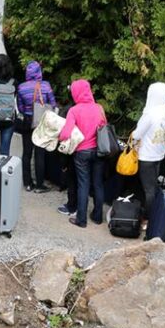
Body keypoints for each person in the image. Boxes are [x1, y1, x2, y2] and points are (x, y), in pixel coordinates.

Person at [58, 79, 106, 228]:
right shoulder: (99, 108)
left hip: (82, 152)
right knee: (98, 184)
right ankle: (97, 217)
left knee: (83, 184)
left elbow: (65, 134)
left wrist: (59, 136)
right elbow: (103, 127)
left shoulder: (74, 110)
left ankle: (81, 220)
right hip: (99, 151)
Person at [132, 82, 165, 222]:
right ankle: (152, 217)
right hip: (159, 155)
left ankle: (147, 219)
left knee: (148, 190)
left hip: (146, 156)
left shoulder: (149, 113)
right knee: (152, 187)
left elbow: (137, 134)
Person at [17, 61, 57, 192]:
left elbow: (20, 108)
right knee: (40, 154)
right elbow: (53, 104)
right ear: (39, 72)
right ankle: (39, 185)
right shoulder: (46, 86)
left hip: (27, 122)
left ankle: (28, 183)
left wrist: (29, 111)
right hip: (42, 122)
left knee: (27, 153)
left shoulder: (21, 87)